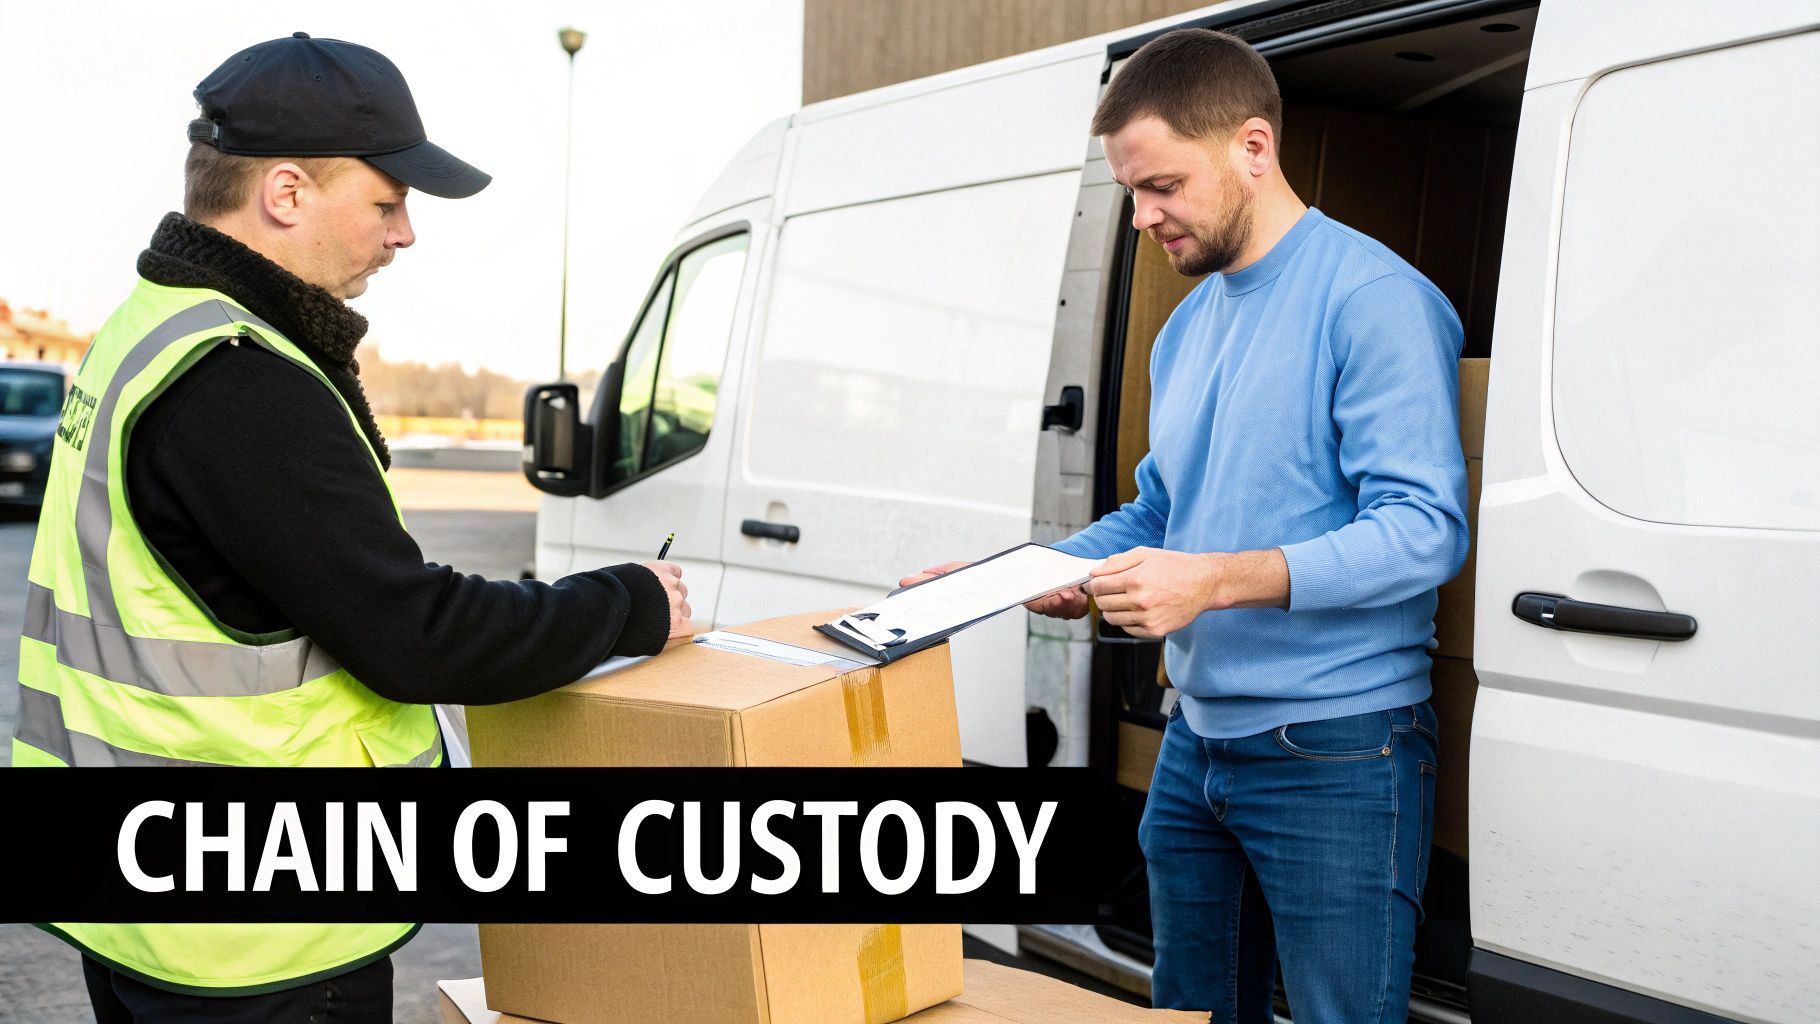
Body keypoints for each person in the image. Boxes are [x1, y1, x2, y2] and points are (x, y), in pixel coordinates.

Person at [11, 33, 691, 1022]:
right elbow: (412, 637)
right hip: (257, 940)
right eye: (385, 200)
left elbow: (287, 579)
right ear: (284, 193)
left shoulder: (147, 326)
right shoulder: (241, 379)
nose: (405, 232)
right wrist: (623, 603)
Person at [903, 28, 1467, 1023]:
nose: (1138, 218)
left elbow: (1422, 530)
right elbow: (1162, 510)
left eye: (1159, 185)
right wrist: (1007, 574)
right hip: (1193, 743)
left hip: (1336, 750)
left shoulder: (1372, 300)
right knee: (1185, 1012)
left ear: (1253, 147)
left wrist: (1206, 581)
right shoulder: (1187, 327)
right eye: (1130, 191)